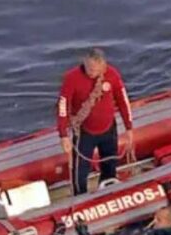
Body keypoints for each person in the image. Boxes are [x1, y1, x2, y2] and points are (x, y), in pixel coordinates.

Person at [56, 48, 134, 195]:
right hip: (85, 132)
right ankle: (80, 198)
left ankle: (108, 191)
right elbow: (63, 105)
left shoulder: (112, 75)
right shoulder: (72, 78)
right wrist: (63, 134)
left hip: (108, 129)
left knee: (110, 164)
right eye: (89, 68)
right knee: (80, 171)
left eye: (95, 69)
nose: (91, 72)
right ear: (84, 62)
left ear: (103, 66)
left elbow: (123, 100)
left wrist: (129, 127)